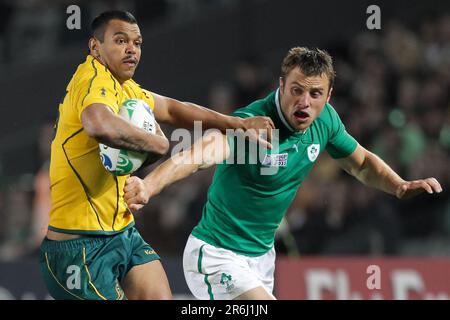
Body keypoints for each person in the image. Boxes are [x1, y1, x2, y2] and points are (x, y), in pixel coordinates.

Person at [124, 47, 443, 300]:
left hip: (263, 259)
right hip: (216, 256)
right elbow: (198, 155)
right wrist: (149, 185)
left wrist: (399, 186)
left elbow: (360, 163)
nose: (304, 102)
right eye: (296, 90)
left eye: (315, 94)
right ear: (281, 86)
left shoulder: (326, 121)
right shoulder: (253, 124)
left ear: (328, 97)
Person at [39, 10, 273, 300]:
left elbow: (174, 110)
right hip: (77, 252)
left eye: (137, 43)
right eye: (120, 40)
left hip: (122, 234)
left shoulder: (126, 88)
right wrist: (156, 144)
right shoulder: (91, 78)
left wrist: (238, 123)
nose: (131, 49)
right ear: (95, 47)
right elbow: (98, 124)